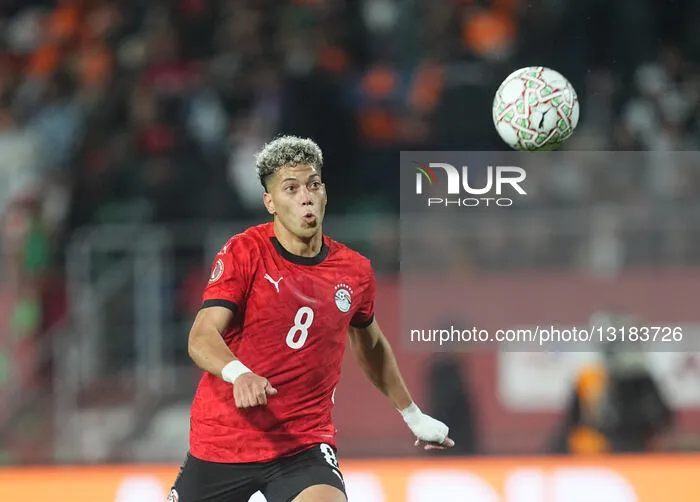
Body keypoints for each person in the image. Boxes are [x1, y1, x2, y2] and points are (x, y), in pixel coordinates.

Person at [168, 135, 454, 502]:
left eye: (313, 185)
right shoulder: (245, 252)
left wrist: (413, 416)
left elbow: (371, 346)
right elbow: (202, 336)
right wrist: (240, 374)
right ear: (270, 202)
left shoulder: (354, 271)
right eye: (291, 188)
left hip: (302, 446)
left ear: (325, 193)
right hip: (223, 443)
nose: (306, 196)